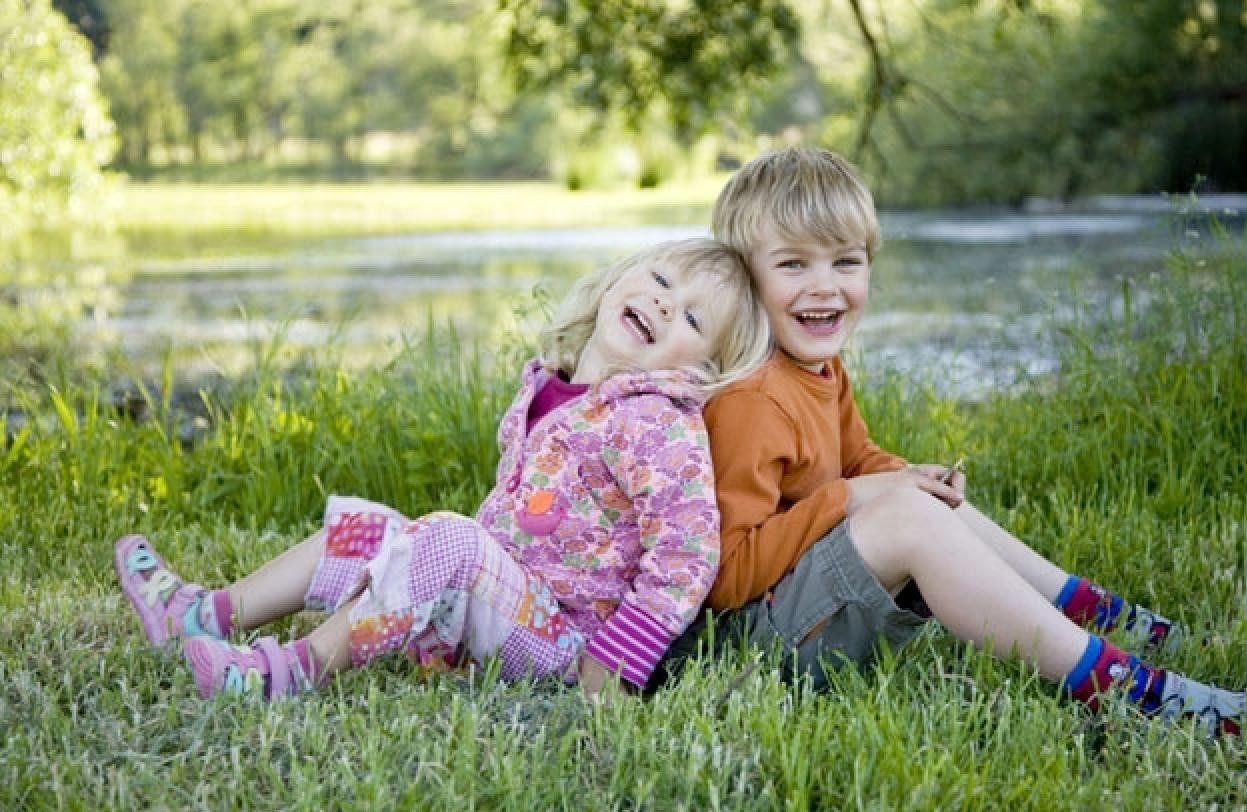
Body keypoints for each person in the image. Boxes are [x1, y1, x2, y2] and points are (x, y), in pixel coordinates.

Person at [658, 147, 1247, 736]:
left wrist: (903, 476)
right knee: (905, 516)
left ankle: (1097, 613)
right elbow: (726, 575)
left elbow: (856, 458)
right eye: (793, 263)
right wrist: (857, 496)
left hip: (800, 612)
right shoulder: (752, 401)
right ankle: (1132, 691)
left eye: (845, 261)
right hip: (749, 643)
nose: (824, 286)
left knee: (917, 501)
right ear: (746, 281)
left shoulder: (816, 369)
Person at [114, 238, 771, 700]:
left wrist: (614, 663)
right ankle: (203, 616)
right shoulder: (550, 384)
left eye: (690, 316)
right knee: (371, 528)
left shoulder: (657, 423)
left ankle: (285, 673)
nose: (663, 304)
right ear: (615, 282)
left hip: (563, 644)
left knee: (452, 539)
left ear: (702, 369)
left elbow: (686, 556)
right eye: (659, 281)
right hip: (496, 604)